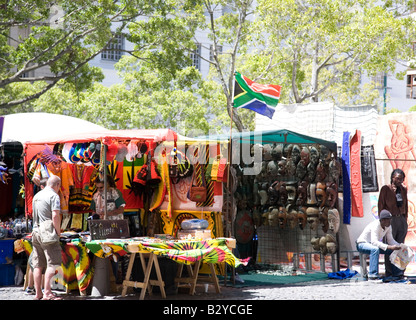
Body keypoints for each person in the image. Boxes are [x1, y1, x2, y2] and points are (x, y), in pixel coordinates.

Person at [31, 175, 62, 300]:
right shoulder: (54, 195)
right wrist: (58, 232)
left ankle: (38, 293)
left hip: (35, 231)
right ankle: (47, 293)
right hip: (48, 232)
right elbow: (55, 216)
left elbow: (33, 214)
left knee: (38, 264)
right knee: (52, 263)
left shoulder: (37, 195)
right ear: (57, 185)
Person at [378, 168, 408, 277]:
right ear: (392, 178)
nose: (400, 181)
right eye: (398, 179)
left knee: (400, 246)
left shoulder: (403, 189)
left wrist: (405, 220)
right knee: (390, 245)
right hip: (390, 220)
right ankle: (389, 271)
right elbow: (381, 206)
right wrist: (383, 222)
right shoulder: (386, 189)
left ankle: (399, 271)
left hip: (401, 219)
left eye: (402, 179)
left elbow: (405, 205)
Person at [356, 209, 402, 280]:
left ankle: (397, 274)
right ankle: (373, 275)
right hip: (362, 244)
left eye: (390, 219)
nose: (390, 221)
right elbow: (374, 242)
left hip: (372, 244)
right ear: (382, 220)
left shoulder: (388, 226)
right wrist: (389, 247)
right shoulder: (375, 225)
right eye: (388, 220)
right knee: (375, 249)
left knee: (394, 251)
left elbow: (390, 240)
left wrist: (399, 246)